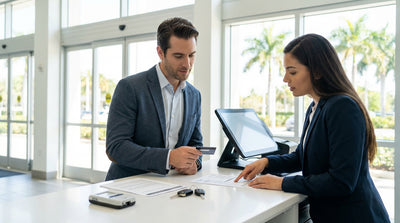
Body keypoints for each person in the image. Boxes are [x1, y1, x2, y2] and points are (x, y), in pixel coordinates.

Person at [235, 33, 390, 223]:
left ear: (317, 71)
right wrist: (267, 162)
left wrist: (283, 183)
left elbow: (341, 182)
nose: (285, 79)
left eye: (292, 72)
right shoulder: (316, 106)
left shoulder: (342, 107)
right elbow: (302, 157)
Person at [105, 17, 203, 181]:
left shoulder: (194, 95)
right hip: (128, 186)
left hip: (171, 187)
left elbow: (196, 143)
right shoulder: (130, 87)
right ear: (160, 52)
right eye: (178, 56)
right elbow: (116, 147)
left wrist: (195, 163)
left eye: (191, 55)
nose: (187, 64)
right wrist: (169, 158)